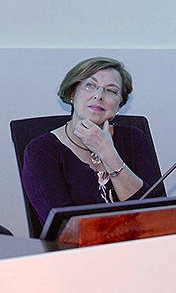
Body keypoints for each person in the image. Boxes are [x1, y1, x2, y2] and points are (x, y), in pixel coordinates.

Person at [21, 57, 164, 225]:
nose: (99, 96)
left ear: (119, 106)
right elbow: (63, 226)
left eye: (111, 90)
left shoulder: (134, 139)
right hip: (77, 249)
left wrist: (107, 152)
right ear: (72, 93)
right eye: (90, 85)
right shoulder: (42, 150)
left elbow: (155, 212)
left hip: (139, 245)